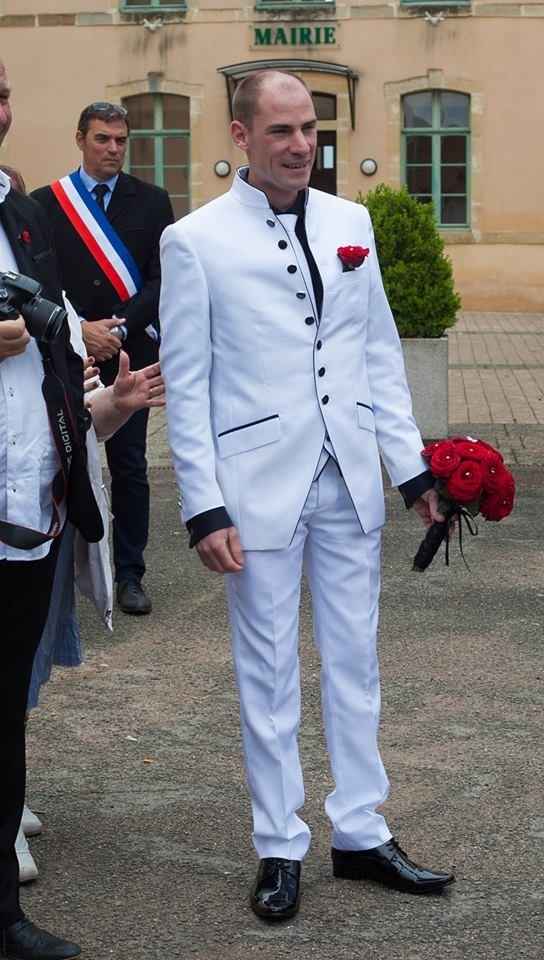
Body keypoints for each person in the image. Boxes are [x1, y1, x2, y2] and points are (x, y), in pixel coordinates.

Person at [159, 70, 455, 921]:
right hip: (255, 488)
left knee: (356, 660)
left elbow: (379, 358)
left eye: (309, 129)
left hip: (349, 481)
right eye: (281, 130)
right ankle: (279, 844)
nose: (300, 145)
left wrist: (412, 473)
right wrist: (203, 506)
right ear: (242, 137)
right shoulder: (195, 240)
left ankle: (360, 832)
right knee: (269, 671)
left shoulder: (351, 222)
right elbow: (190, 381)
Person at [0, 61, 102, 960]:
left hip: (28, 508)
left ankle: (3, 915)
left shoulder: (25, 216)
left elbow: (58, 342)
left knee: (6, 711)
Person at [32, 101, 174, 616]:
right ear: (80, 139)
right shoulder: (46, 203)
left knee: (130, 465)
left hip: (129, 354)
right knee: (60, 457)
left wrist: (119, 330)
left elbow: (162, 279)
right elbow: (38, 282)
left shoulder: (153, 201)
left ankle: (131, 572)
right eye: (102, 139)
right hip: (64, 353)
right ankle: (56, 568)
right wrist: (80, 331)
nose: (113, 149)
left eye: (120, 140)